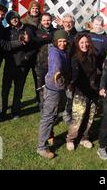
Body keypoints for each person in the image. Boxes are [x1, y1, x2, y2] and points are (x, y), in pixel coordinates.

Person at [36, 30, 71, 159]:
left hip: (60, 87)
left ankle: (49, 137)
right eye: (59, 41)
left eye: (64, 41)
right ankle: (41, 147)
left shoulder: (63, 51)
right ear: (55, 41)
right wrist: (57, 73)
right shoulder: (54, 52)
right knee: (48, 117)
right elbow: (56, 64)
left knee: (54, 115)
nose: (62, 43)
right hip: (53, 89)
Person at [0, 11, 37, 120]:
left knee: (18, 90)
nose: (14, 20)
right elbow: (4, 46)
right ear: (8, 21)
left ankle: (15, 111)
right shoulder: (6, 31)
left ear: (19, 18)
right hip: (9, 64)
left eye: (15, 18)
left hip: (22, 65)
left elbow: (34, 46)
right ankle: (3, 111)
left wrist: (27, 56)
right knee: (5, 90)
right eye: (11, 19)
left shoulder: (27, 30)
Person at [66, 34, 99, 150]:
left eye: (86, 42)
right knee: (78, 117)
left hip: (93, 92)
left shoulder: (93, 55)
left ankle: (84, 138)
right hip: (81, 91)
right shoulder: (75, 58)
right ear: (77, 44)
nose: (84, 45)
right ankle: (71, 139)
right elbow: (74, 75)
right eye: (81, 43)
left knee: (90, 117)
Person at [34, 13, 56, 110]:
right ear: (41, 21)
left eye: (48, 20)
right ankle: (42, 105)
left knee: (52, 86)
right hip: (40, 64)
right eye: (44, 20)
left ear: (51, 21)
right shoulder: (37, 32)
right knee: (40, 86)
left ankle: (51, 105)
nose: (46, 22)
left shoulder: (56, 31)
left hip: (53, 64)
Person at [60, 13, 78, 125]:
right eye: (65, 22)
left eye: (70, 22)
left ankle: (67, 113)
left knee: (70, 93)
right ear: (62, 23)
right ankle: (57, 112)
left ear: (74, 24)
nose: (68, 24)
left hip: (71, 68)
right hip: (59, 66)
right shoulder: (58, 34)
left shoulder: (76, 36)